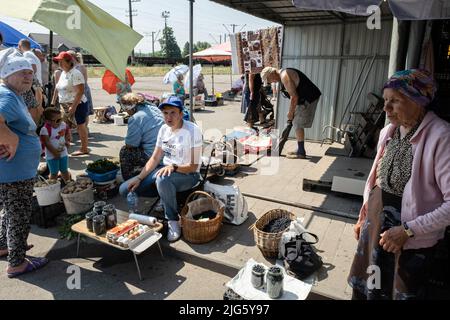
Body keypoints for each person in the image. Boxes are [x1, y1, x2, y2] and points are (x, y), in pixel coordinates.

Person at [348, 69, 450, 300]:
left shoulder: (441, 136)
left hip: (408, 241)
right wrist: (363, 217)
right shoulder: (388, 131)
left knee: (398, 292)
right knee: (369, 289)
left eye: (395, 101)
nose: (386, 108)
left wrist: (407, 231)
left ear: (418, 101)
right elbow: (376, 180)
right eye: (385, 100)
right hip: (375, 231)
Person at [119, 96, 203, 242]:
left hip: (188, 174)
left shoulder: (192, 131)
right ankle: (165, 196)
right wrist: (139, 178)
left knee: (162, 179)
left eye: (173, 113)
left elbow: (194, 166)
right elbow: (155, 158)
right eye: (165, 113)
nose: (169, 117)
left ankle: (172, 220)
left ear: (181, 114)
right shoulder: (164, 129)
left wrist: (174, 167)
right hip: (165, 170)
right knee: (125, 189)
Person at [0, 51, 49, 278]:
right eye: (22, 72)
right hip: (14, 172)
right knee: (18, 215)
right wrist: (12, 137)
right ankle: (17, 263)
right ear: (8, 74)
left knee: (10, 212)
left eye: (30, 72)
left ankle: (5, 245)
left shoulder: (14, 93)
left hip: (14, 171)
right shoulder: (7, 96)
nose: (28, 76)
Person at [261, 67, 321, 159]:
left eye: (269, 79)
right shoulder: (281, 76)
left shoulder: (285, 75)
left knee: (297, 122)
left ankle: (301, 152)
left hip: (308, 97)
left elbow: (294, 97)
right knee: (295, 121)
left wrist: (290, 112)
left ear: (272, 73)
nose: (270, 82)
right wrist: (291, 112)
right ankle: (300, 149)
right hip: (302, 98)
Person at [51, 51, 89, 156]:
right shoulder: (63, 73)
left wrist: (74, 106)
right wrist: (53, 102)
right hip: (65, 104)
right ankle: (63, 147)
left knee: (80, 126)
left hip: (77, 104)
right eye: (58, 61)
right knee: (64, 126)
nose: (59, 63)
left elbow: (81, 91)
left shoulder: (76, 73)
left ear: (68, 62)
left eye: (61, 61)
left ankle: (84, 148)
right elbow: (57, 88)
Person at [118, 93, 164, 181]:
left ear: (129, 108)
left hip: (154, 155)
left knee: (125, 151)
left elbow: (130, 144)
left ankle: (130, 181)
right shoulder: (154, 108)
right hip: (166, 152)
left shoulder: (136, 118)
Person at [40, 108, 71, 182]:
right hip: (52, 155)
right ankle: (52, 187)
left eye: (61, 119)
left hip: (63, 153)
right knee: (54, 173)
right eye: (57, 120)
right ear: (48, 121)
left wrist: (67, 140)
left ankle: (68, 183)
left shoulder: (63, 125)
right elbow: (46, 142)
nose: (60, 122)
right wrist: (54, 153)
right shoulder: (45, 129)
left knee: (64, 170)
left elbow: (67, 131)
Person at [68, 50, 94, 125]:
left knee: (85, 111)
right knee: (77, 109)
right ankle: (78, 126)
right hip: (75, 91)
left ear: (72, 57)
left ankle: (85, 127)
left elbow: (84, 81)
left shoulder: (81, 67)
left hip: (83, 90)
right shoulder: (70, 67)